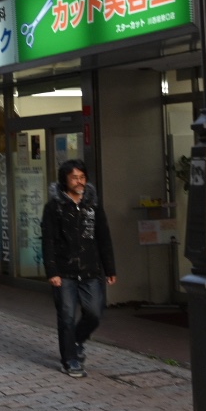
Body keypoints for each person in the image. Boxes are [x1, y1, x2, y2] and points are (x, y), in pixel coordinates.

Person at [41, 159, 116, 378]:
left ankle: (76, 340)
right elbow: (48, 241)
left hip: (91, 269)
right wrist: (52, 271)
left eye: (82, 177)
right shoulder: (54, 207)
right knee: (66, 316)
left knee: (95, 313)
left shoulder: (93, 205)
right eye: (74, 178)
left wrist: (110, 268)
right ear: (65, 180)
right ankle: (70, 360)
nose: (79, 181)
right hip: (64, 271)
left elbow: (103, 237)